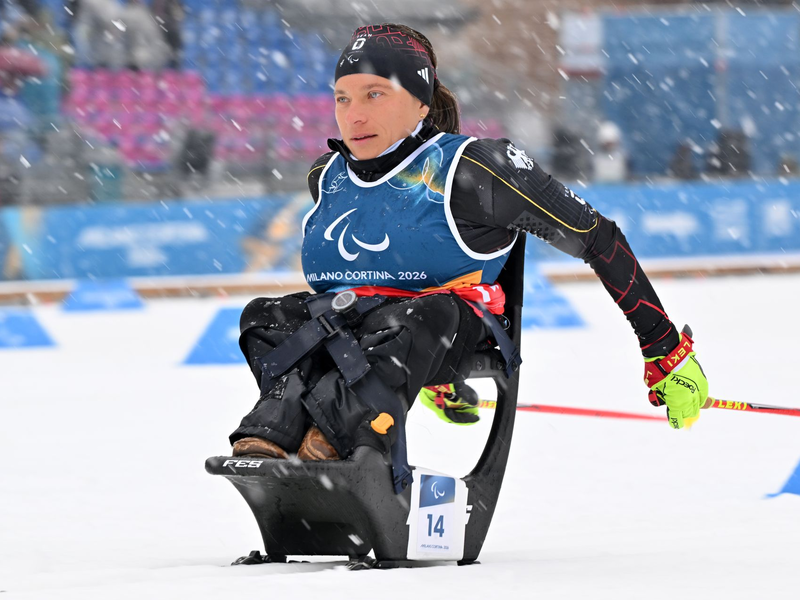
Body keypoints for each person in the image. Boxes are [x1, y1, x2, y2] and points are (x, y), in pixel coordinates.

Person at [229, 24, 709, 465]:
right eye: (342, 98)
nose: (355, 115)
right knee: (266, 316)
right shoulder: (326, 176)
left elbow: (598, 239)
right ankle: (279, 428)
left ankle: (339, 438)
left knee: (413, 321)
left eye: (375, 94)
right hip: (356, 326)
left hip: (444, 328)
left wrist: (663, 349)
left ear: (419, 101)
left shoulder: (474, 169)